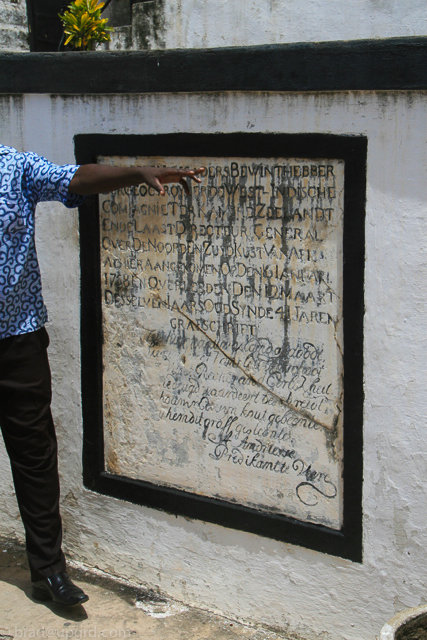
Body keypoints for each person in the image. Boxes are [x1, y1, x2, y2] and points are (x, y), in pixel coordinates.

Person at [0, 144, 203, 607]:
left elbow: (76, 177)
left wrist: (135, 173)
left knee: (34, 455)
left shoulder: (11, 165)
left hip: (18, 338)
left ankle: (48, 571)